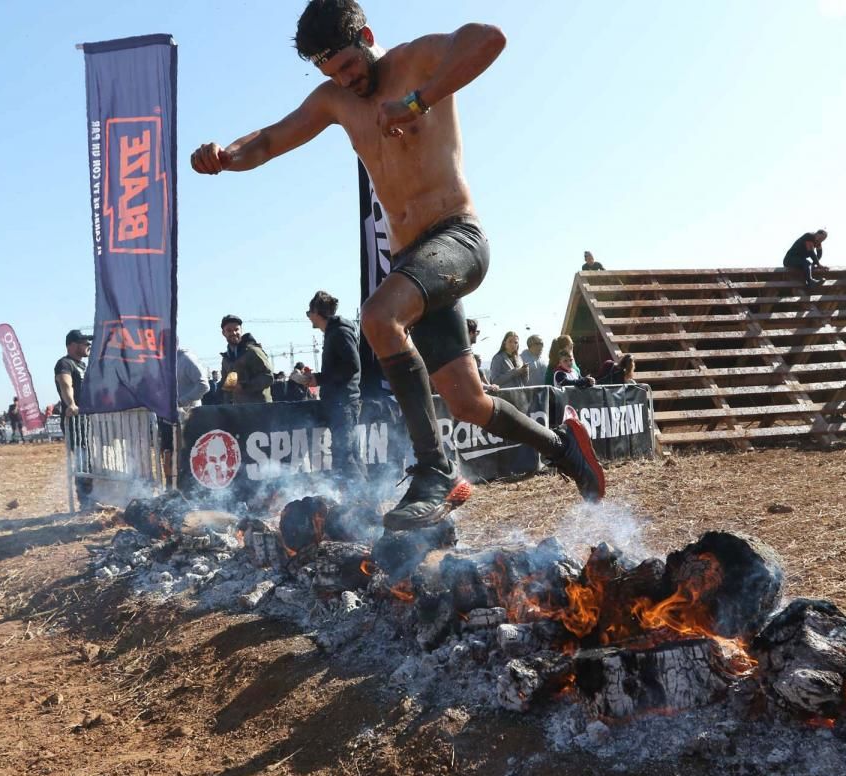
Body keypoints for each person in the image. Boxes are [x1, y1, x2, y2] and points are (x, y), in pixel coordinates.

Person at [191, 0, 604, 529]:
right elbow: (270, 140)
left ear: (365, 35)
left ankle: (435, 469)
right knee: (469, 404)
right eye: (329, 72)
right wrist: (226, 156)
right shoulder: (336, 99)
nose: (344, 79)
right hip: (415, 261)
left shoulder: (416, 61)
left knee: (378, 317)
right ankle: (564, 448)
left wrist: (418, 101)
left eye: (346, 65)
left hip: (459, 238)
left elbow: (490, 38)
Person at [292, 290, 367, 482]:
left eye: (309, 313)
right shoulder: (334, 332)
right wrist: (316, 377)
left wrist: (320, 379)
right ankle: (366, 500)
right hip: (340, 403)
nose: (309, 317)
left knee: (344, 456)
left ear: (317, 311)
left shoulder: (340, 332)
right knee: (351, 454)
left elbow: (352, 366)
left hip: (344, 404)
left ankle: (358, 501)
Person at [55, 329, 95, 507]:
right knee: (82, 460)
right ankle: (85, 502)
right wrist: (71, 404)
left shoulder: (84, 366)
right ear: (72, 345)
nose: (88, 346)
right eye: (85, 343)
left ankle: (94, 496)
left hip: (89, 420)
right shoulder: (65, 364)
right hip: (75, 421)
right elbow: (66, 384)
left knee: (92, 460)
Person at [160, 347, 211, 486]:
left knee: (187, 457)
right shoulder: (162, 362)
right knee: (168, 453)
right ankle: (171, 490)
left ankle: (190, 492)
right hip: (168, 417)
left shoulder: (186, 359)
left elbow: (204, 385)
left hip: (188, 419)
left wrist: (180, 401)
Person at [219, 314, 275, 404]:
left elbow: (268, 376)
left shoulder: (253, 351)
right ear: (223, 333)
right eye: (229, 330)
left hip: (261, 408)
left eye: (236, 329)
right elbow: (228, 388)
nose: (233, 333)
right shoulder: (227, 358)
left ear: (241, 330)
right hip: (240, 410)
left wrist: (245, 386)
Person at [466, 319, 499, 392]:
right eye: (477, 332)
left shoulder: (465, 353)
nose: (477, 334)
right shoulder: (463, 356)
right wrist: (488, 387)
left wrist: (489, 387)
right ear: (471, 333)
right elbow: (469, 382)